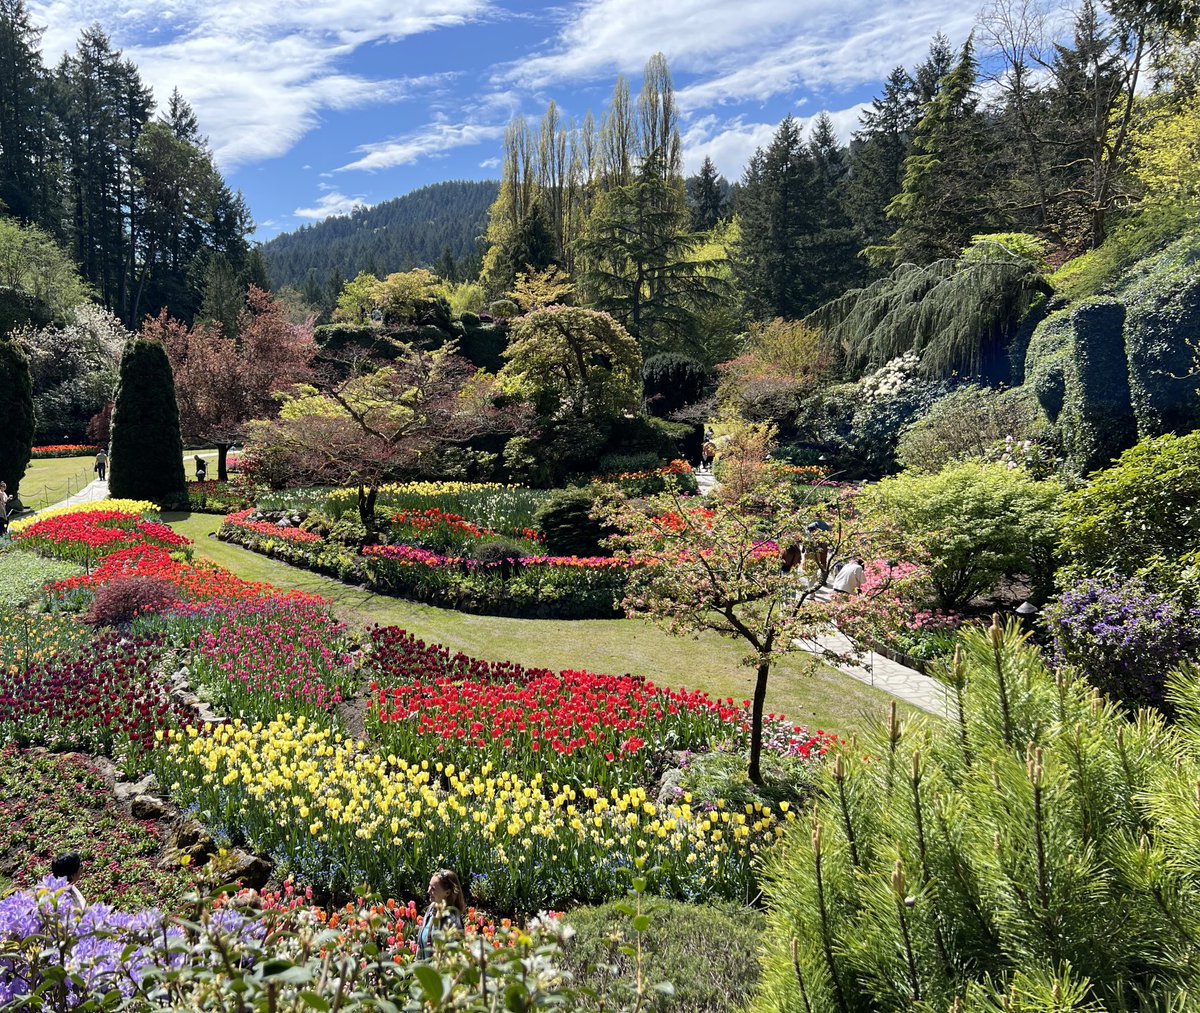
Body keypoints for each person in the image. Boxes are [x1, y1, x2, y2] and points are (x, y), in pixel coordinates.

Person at [416, 868, 466, 959]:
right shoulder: (431, 909)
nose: (428, 891)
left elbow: (454, 954)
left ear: (447, 893)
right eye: (429, 886)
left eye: (433, 889)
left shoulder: (452, 919)